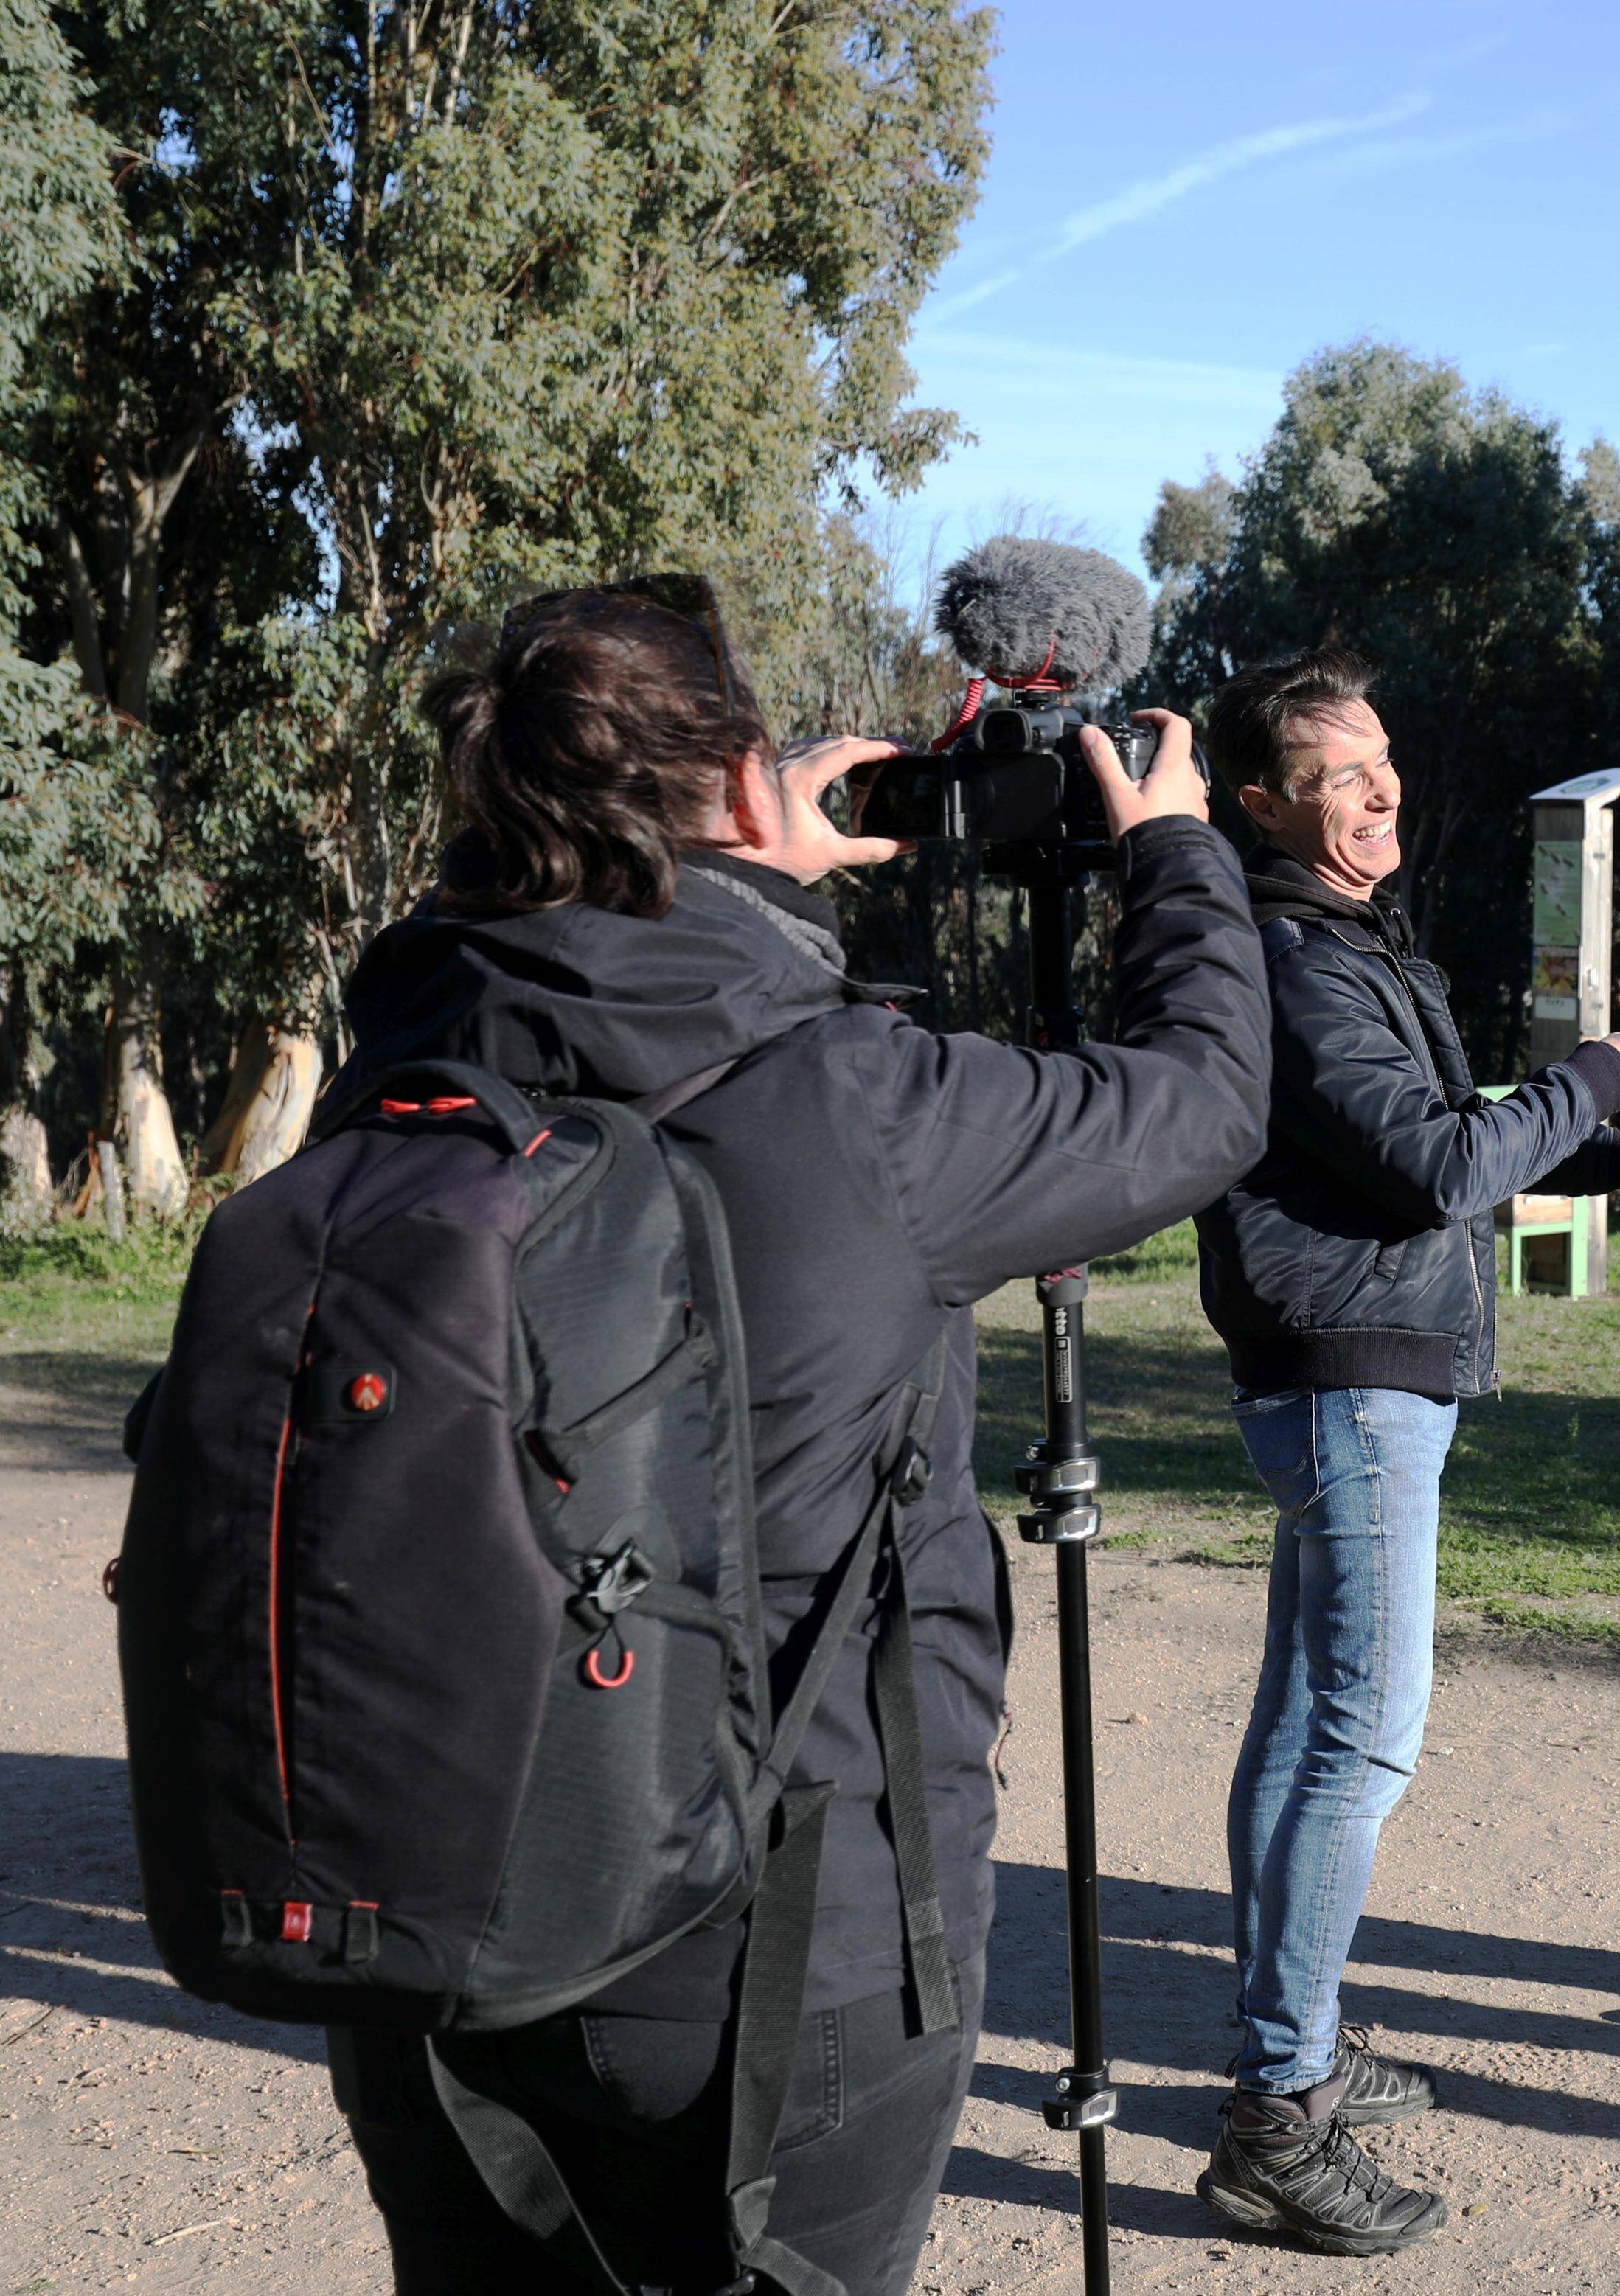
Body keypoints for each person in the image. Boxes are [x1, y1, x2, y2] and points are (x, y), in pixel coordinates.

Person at [316, 578, 1266, 2292]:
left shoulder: (391, 1074)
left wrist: (734, 867)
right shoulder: (857, 1102)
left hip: (422, 1917)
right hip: (779, 1933)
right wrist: (1178, 856)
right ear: (749, 789)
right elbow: (1200, 1098)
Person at [1189, 642, 1620, 2255]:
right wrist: (1597, 1071)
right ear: (1260, 800)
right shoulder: (1294, 953)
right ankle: (1278, 2114)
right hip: (1353, 1382)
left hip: (1356, 1369)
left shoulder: (1342, 937)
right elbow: (1436, 1162)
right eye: (1343, 774)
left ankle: (1298, 2041)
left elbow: (1434, 1119)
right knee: (1360, 1741)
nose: (1380, 791)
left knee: (1303, 1733)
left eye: (1384, 764)